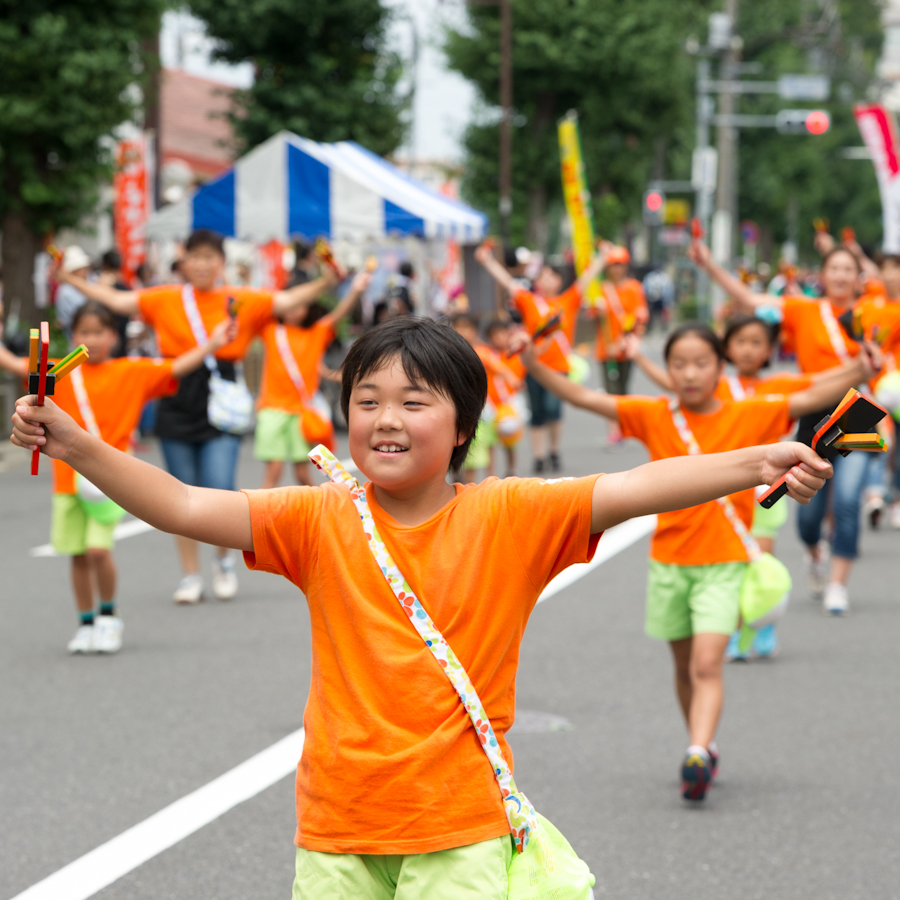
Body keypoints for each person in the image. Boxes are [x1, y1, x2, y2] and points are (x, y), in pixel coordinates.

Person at [13, 316, 830, 891]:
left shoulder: (512, 514)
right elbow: (185, 506)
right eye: (367, 401)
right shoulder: (314, 515)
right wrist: (76, 441)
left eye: (414, 401)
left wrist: (759, 457)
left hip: (461, 824)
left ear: (464, 424)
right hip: (336, 823)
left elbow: (638, 485)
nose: (386, 420)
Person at [522, 322, 872, 801]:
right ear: (665, 370)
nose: (689, 374)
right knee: (684, 665)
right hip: (669, 563)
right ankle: (699, 743)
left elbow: (811, 394)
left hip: (725, 561)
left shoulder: (750, 412)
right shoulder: (652, 414)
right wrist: (532, 364)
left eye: (701, 363)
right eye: (678, 364)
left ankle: (698, 750)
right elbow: (584, 398)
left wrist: (863, 369)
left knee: (708, 664)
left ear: (720, 367)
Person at [55, 228, 339, 604]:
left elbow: (287, 300)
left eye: (210, 257)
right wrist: (69, 281)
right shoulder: (166, 297)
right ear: (183, 261)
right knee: (178, 489)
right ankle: (190, 574)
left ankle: (223, 560)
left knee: (219, 483)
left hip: (221, 399)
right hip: (177, 395)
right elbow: (116, 301)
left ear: (221, 262)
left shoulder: (242, 299)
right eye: (195, 256)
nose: (203, 264)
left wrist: (327, 280)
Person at [627, 315, 877, 659]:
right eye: (740, 342)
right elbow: (675, 383)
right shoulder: (718, 385)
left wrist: (861, 370)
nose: (747, 350)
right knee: (732, 563)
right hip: (723, 488)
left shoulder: (776, 387)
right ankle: (731, 626)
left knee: (756, 559)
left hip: (766, 492)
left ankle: (762, 618)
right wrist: (639, 358)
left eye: (756, 343)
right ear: (726, 349)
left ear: (768, 350)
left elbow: (819, 382)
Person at [0, 300, 235, 654]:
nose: (91, 339)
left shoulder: (132, 371)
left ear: (114, 335)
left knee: (97, 551)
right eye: (84, 332)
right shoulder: (58, 372)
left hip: (111, 481)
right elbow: (16, 363)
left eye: (99, 332)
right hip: (67, 482)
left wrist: (214, 344)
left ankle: (109, 616)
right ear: (72, 335)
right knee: (77, 554)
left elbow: (177, 367)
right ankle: (86, 622)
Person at [689, 239, 875, 615]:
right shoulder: (803, 310)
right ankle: (815, 550)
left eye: (847, 269)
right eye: (833, 268)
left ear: (860, 277)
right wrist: (709, 266)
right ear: (823, 276)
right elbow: (751, 301)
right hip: (813, 411)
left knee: (847, 500)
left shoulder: (877, 313)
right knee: (807, 515)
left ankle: (838, 585)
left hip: (858, 414)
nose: (840, 275)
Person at [475, 242, 606, 473]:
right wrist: (487, 261)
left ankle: (553, 450)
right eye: (542, 276)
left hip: (559, 366)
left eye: (551, 276)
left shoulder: (569, 300)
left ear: (558, 281)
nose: (545, 280)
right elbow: (507, 281)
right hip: (533, 366)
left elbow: (587, 278)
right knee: (537, 412)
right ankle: (539, 456)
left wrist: (603, 258)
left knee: (553, 409)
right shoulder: (528, 301)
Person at [256, 270, 370, 489]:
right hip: (273, 408)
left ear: (309, 307)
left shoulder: (316, 332)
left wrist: (355, 289)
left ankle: (319, 516)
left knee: (302, 473)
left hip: (301, 411)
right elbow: (258, 306)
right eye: (291, 302)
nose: (294, 309)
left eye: (301, 304)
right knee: (273, 471)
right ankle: (257, 519)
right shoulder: (271, 330)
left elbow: (339, 314)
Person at [450, 313, 522, 482]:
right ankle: (459, 476)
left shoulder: (481, 351)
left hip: (478, 409)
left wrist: (510, 377)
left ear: (475, 331)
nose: (463, 331)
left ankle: (476, 483)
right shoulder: (449, 352)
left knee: (477, 447)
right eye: (459, 327)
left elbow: (497, 366)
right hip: (453, 407)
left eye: (467, 327)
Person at [594, 246, 649, 404]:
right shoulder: (601, 288)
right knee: (611, 394)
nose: (617, 269)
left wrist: (620, 343)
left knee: (623, 392)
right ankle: (614, 428)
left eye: (620, 264)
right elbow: (591, 313)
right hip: (606, 349)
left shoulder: (634, 288)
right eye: (613, 264)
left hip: (625, 348)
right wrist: (596, 308)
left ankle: (623, 427)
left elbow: (638, 318)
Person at [54, 246, 93, 344]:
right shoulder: (65, 291)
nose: (85, 271)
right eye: (81, 269)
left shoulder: (90, 283)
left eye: (85, 268)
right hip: (76, 339)